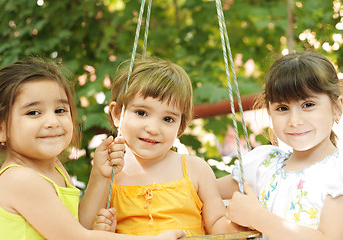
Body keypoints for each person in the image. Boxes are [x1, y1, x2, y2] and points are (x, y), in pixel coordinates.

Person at [0, 57, 186, 240]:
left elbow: (80, 226)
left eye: (60, 110)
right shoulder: (19, 179)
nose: (52, 122)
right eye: (33, 112)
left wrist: (100, 176)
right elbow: (77, 237)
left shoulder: (53, 168)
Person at [101, 56, 245, 237]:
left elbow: (217, 223)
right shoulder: (109, 174)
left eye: (168, 119)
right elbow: (85, 229)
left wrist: (238, 223)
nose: (153, 129)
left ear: (181, 125)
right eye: (141, 112)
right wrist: (102, 229)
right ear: (117, 114)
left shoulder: (195, 169)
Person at [217, 51, 343, 240]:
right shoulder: (263, 164)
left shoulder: (342, 172)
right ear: (270, 113)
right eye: (282, 108)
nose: (294, 121)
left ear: (337, 108)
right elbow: (202, 189)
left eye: (308, 105)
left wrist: (256, 217)